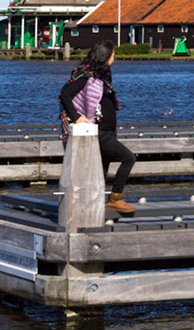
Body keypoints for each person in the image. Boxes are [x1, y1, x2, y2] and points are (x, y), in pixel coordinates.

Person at [57, 44, 136, 215]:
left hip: (108, 130)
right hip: (98, 132)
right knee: (128, 158)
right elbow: (65, 95)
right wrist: (77, 117)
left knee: (102, 168)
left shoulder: (103, 76)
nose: (114, 58)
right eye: (113, 55)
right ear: (105, 56)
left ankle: (94, 202)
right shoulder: (86, 76)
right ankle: (116, 198)